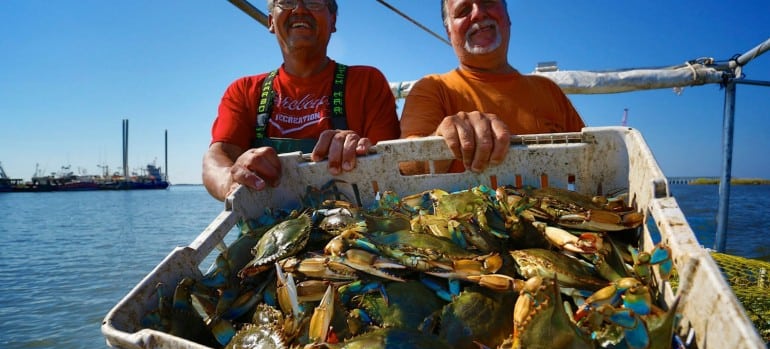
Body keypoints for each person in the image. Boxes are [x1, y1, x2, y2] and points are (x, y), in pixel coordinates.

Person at [203, 0, 400, 201]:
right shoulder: (244, 90)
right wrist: (231, 180)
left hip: (357, 227)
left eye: (313, 2)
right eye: (286, 1)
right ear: (271, 22)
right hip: (268, 230)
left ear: (333, 21)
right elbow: (217, 156)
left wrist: (357, 151)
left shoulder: (367, 82)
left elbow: (390, 171)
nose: (299, 9)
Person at [399, 0, 584, 175]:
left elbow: (589, 159)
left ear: (507, 16)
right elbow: (404, 168)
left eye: (487, 2)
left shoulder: (549, 91)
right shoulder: (432, 89)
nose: (478, 13)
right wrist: (439, 142)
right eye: (463, 10)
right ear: (449, 31)